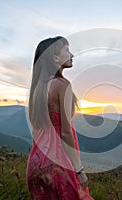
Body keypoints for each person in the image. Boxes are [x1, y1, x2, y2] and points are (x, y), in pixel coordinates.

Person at [26, 36, 94, 200]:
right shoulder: (63, 86)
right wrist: (79, 170)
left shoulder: (38, 89)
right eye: (67, 50)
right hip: (59, 163)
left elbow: (36, 128)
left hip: (37, 161)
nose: (72, 54)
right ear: (55, 58)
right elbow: (65, 133)